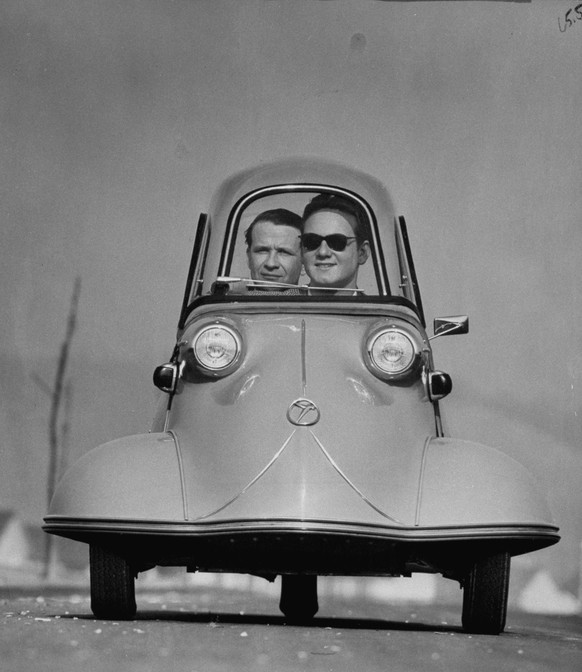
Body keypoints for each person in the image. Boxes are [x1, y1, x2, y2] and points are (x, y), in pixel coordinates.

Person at [300, 194, 370, 295]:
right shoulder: (276, 306)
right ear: (301, 251)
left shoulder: (379, 310)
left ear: (362, 253)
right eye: (311, 241)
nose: (323, 252)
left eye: (337, 242)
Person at [245, 208, 303, 291]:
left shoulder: (321, 303)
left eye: (283, 252)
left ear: (304, 263)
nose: (270, 264)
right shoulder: (227, 301)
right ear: (249, 258)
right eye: (262, 251)